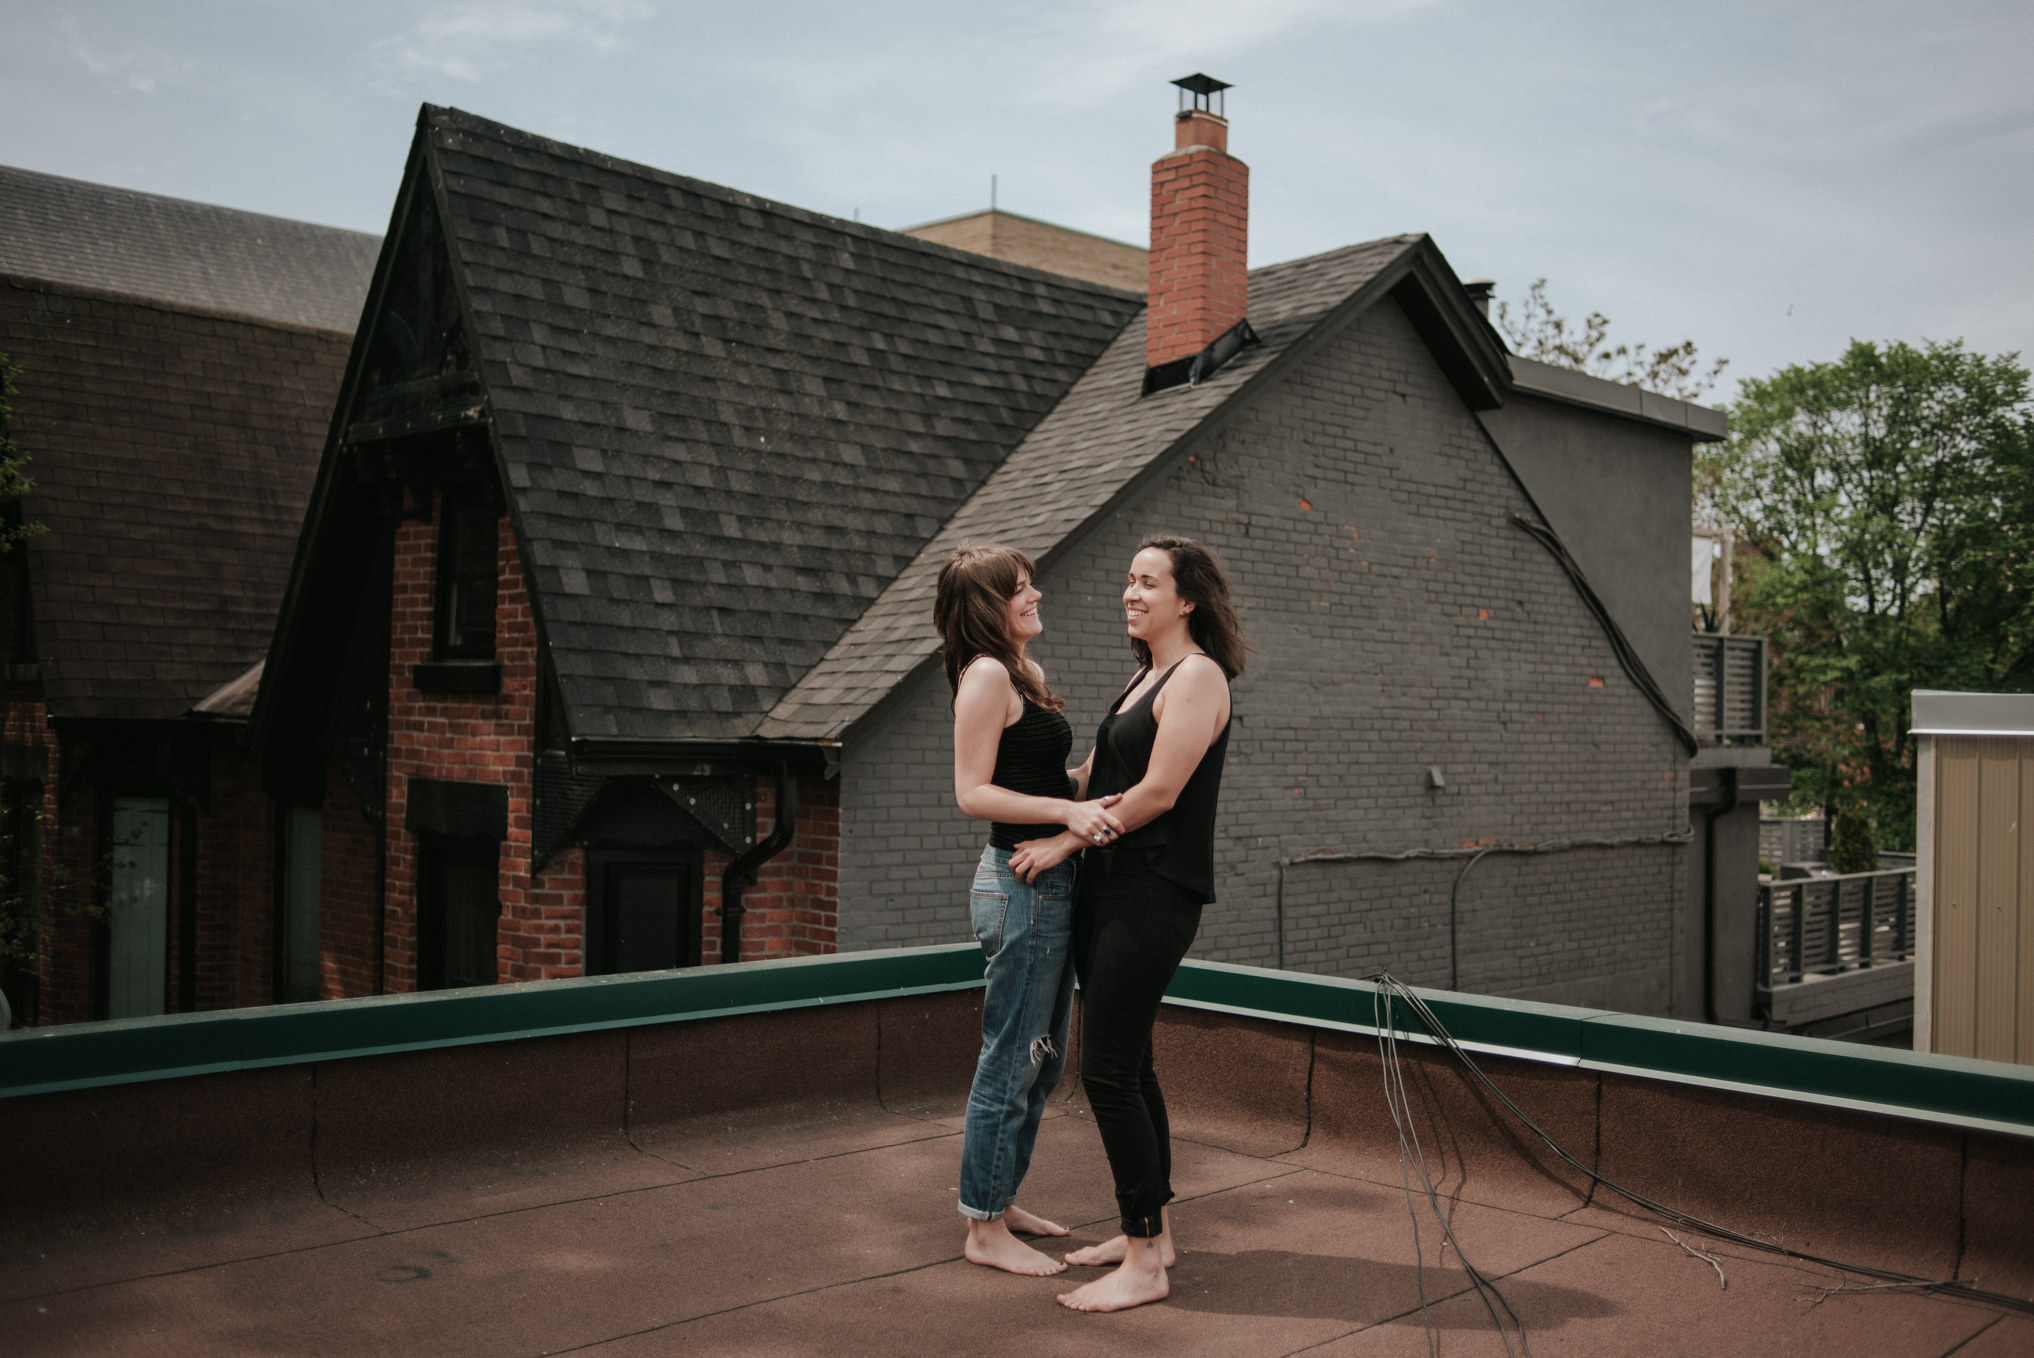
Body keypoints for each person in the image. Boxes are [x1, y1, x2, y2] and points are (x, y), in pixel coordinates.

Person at [1009, 534, 1245, 1313]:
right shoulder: (1145, 675)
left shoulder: (1199, 677)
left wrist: (1061, 841)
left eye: (1148, 583)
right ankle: (1154, 1232)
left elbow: (1155, 794)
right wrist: (1031, 781)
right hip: (1110, 889)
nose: (1131, 593)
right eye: (1129, 581)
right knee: (1132, 1066)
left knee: (1106, 1071)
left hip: (1151, 892)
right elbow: (1101, 778)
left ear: (1188, 600)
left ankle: (1144, 1263)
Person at [935, 543, 1128, 1277]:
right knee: (1011, 1059)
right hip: (1017, 884)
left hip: (1048, 882)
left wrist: (1095, 776)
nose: (1036, 595)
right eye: (1020, 589)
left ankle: (998, 1197)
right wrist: (1062, 815)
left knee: (1039, 1066)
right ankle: (981, 1229)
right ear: (988, 605)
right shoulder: (985, 676)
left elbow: (1043, 774)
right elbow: (972, 792)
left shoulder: (1024, 673)